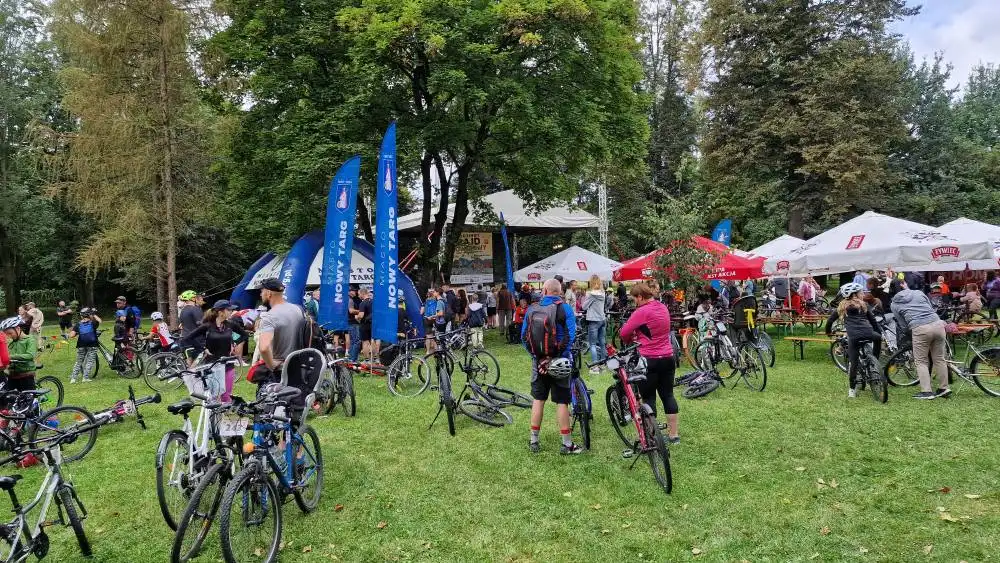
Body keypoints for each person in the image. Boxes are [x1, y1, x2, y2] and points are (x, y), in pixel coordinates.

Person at [522, 279, 581, 455]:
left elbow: (524, 337)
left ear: (545, 290)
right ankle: (567, 444)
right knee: (562, 402)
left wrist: (538, 357)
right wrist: (557, 356)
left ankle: (534, 440)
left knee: (538, 400)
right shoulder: (565, 308)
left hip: (539, 362)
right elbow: (570, 336)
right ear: (560, 291)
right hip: (560, 362)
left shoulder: (532, 309)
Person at [619, 283, 679, 443]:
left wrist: (630, 339)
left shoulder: (642, 312)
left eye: (634, 299)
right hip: (668, 357)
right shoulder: (663, 307)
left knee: (649, 397)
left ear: (640, 297)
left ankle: (652, 436)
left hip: (649, 359)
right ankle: (674, 435)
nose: (634, 303)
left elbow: (624, 332)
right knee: (668, 395)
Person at [891, 281, 950, 399]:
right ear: (904, 286)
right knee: (939, 359)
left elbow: (903, 325)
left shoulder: (894, 304)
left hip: (920, 328)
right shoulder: (919, 293)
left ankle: (926, 391)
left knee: (921, 361)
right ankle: (944, 388)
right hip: (937, 324)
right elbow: (931, 308)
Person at [182, 300, 249, 402]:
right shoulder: (207, 326)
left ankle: (225, 415)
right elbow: (187, 338)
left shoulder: (230, 324)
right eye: (229, 309)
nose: (231, 311)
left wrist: (234, 343)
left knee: (226, 396)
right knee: (212, 397)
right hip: (212, 366)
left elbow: (244, 335)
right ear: (220, 312)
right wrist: (203, 348)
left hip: (228, 365)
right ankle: (213, 417)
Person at [825, 283, 882, 398]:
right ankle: (874, 361)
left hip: (854, 337)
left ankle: (852, 390)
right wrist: (878, 333)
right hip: (869, 333)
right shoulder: (864, 305)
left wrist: (828, 332)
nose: (863, 294)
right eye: (861, 292)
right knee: (878, 338)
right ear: (854, 294)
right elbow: (873, 322)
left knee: (854, 364)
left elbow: (830, 321)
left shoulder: (842, 306)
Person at [253, 278, 305, 386]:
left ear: (268, 293)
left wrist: (272, 365)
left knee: (277, 402)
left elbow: (263, 347)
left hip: (280, 370)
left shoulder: (269, 316)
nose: (260, 294)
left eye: (261, 291)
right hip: (299, 366)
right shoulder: (298, 309)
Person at [1, 317, 37, 391]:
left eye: (10, 333)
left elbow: (30, 355)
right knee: (10, 398)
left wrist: (10, 357)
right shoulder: (11, 343)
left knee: (28, 398)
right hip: (12, 375)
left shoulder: (30, 340)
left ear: (17, 329)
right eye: (6, 334)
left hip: (26, 374)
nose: (9, 336)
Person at [68, 308, 102, 384]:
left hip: (81, 345)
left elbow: (71, 335)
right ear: (89, 315)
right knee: (90, 361)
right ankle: (85, 378)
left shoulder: (78, 324)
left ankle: (73, 378)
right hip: (92, 344)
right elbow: (100, 321)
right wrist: (93, 314)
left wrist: (77, 333)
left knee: (79, 361)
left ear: (81, 315)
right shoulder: (93, 323)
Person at [582, 275, 607, 374]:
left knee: (592, 344)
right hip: (602, 319)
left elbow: (584, 307)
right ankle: (603, 365)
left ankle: (595, 367)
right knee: (602, 342)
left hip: (593, 320)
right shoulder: (603, 292)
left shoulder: (591, 294)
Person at [179, 290, 205, 364]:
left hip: (185, 336)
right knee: (201, 355)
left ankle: (188, 373)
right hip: (195, 338)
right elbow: (200, 323)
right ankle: (192, 371)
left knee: (189, 358)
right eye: (195, 297)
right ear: (193, 299)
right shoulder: (195, 309)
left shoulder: (183, 310)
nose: (196, 299)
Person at [356, 287, 375, 361]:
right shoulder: (374, 302)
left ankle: (367, 359)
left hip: (365, 324)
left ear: (363, 293)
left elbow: (361, 315)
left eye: (359, 294)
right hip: (373, 324)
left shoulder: (362, 303)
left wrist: (356, 317)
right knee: (372, 341)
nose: (358, 296)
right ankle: (375, 359)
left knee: (365, 342)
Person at [347, 284, 362, 361]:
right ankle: (353, 359)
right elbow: (351, 311)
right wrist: (362, 311)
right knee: (357, 341)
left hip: (350, 323)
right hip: (353, 323)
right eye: (354, 291)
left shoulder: (348, 299)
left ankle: (351, 358)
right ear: (349, 291)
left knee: (353, 341)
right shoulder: (350, 300)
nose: (355, 293)